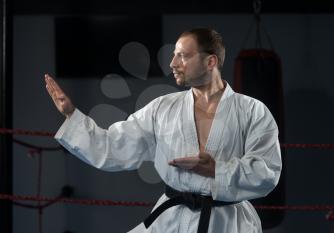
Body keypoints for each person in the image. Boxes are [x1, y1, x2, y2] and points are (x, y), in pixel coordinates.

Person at [45, 28, 281, 233]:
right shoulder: (162, 108)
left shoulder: (253, 111)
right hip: (173, 219)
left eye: (183, 56)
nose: (173, 64)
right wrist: (72, 115)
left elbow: (267, 171)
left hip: (228, 223)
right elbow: (114, 146)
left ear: (210, 62)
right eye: (174, 55)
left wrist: (218, 170)